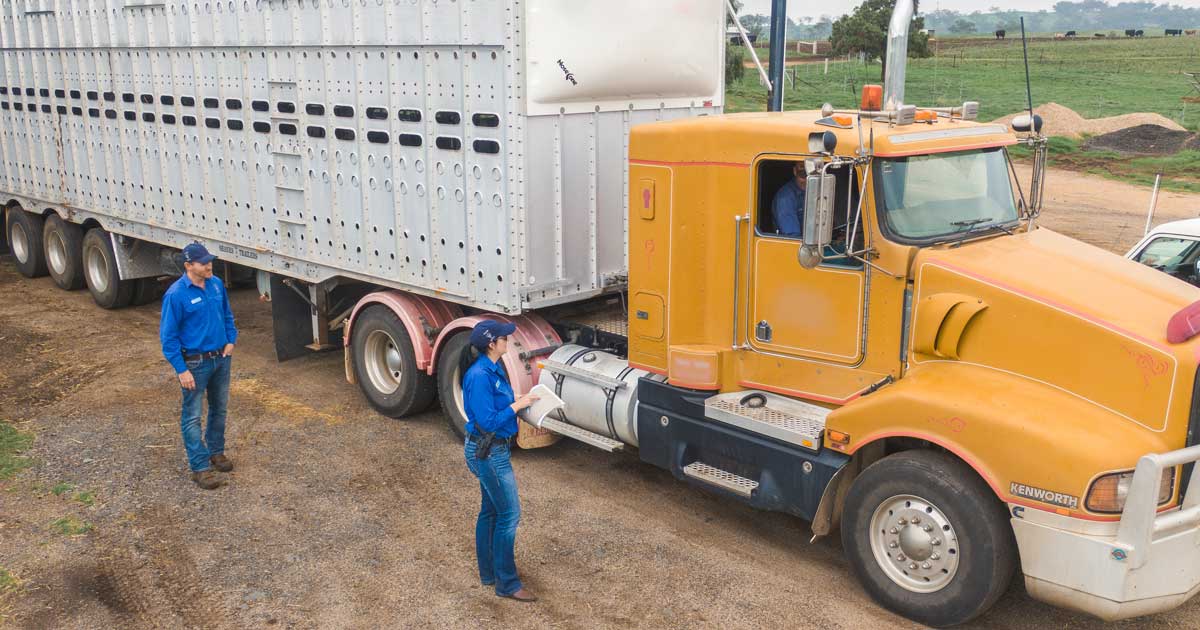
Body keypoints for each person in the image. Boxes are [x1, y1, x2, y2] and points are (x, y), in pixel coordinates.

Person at [462, 320, 540, 602]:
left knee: (491, 511)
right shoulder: (480, 375)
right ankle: (506, 583)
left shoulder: (492, 369)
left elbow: (497, 403)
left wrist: (522, 398)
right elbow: (487, 421)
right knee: (509, 515)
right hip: (489, 452)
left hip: (492, 451)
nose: (508, 340)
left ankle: (489, 573)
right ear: (491, 344)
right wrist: (517, 406)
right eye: (504, 338)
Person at [159, 243, 238, 490]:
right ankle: (200, 468)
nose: (208, 265)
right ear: (188, 265)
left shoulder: (215, 284)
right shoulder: (176, 295)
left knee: (219, 409)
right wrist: (181, 369)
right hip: (195, 363)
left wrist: (230, 340)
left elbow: (227, 315)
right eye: (203, 262)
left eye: (209, 260)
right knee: (192, 416)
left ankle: (216, 452)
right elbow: (168, 338)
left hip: (220, 359)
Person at [771, 162, 808, 237]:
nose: (807, 180)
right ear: (795, 171)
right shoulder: (785, 198)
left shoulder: (816, 190)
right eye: (802, 174)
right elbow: (793, 237)